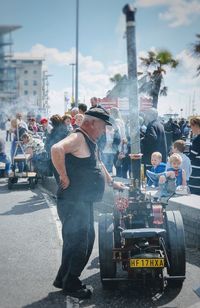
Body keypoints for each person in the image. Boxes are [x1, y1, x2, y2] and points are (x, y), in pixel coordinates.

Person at [51, 107, 125, 299]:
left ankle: (63, 278)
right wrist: (64, 176)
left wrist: (111, 182)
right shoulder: (78, 138)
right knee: (79, 243)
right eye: (102, 126)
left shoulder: (91, 141)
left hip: (83, 201)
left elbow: (98, 163)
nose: (103, 131)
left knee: (79, 241)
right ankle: (71, 283)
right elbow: (56, 149)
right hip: (73, 201)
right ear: (91, 123)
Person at [188, 116, 200, 195]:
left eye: (192, 127)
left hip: (196, 168)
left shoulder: (197, 140)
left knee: (194, 192)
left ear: (196, 126)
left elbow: (192, 156)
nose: (191, 129)